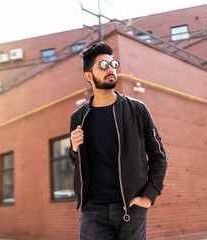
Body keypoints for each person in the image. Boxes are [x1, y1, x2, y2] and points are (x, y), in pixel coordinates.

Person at [69, 42, 167, 240]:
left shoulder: (137, 109)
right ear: (89, 76)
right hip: (93, 211)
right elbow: (76, 161)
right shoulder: (79, 117)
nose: (111, 69)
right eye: (103, 66)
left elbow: (158, 157)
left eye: (113, 63)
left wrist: (148, 196)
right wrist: (73, 148)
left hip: (131, 208)